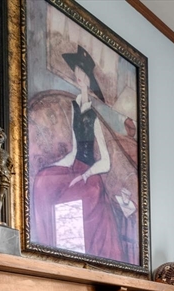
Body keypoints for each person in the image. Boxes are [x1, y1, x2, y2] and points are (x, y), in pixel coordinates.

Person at [31, 46, 129, 264]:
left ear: (88, 79)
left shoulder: (93, 114)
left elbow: (105, 161)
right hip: (74, 165)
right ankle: (45, 251)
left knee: (73, 196)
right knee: (42, 182)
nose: (78, 76)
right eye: (76, 72)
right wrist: (56, 167)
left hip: (91, 176)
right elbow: (75, 148)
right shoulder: (74, 107)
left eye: (82, 73)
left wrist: (85, 175)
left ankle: (70, 255)